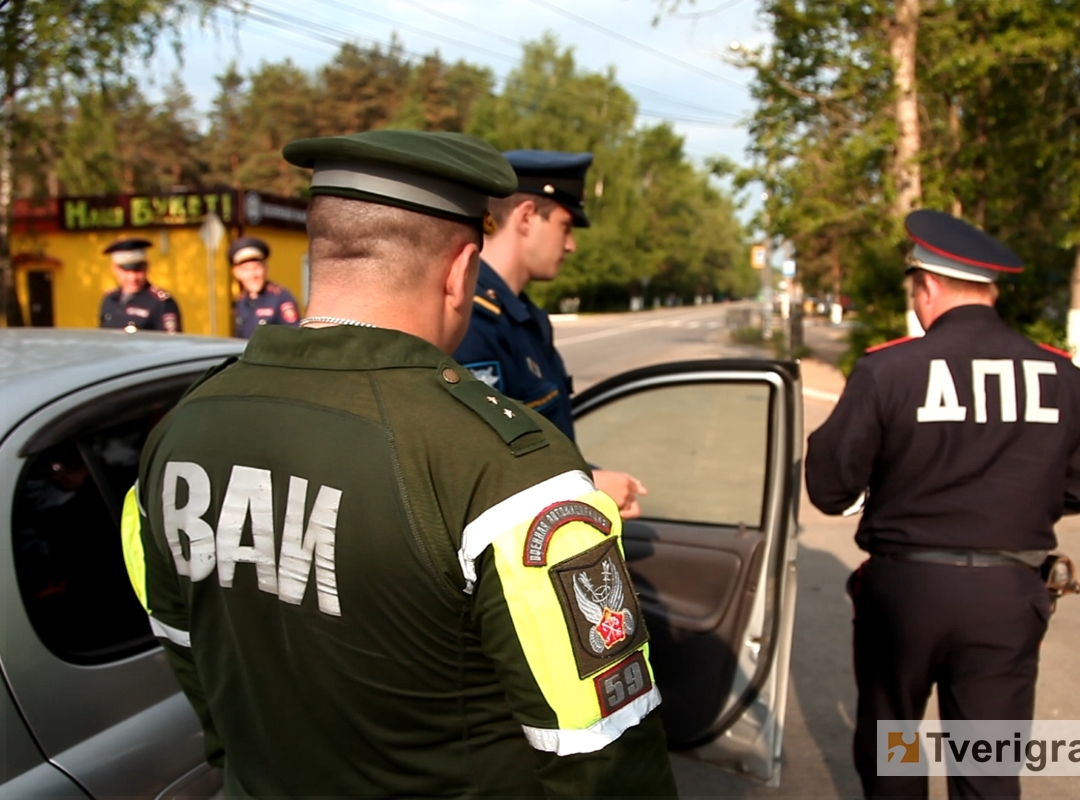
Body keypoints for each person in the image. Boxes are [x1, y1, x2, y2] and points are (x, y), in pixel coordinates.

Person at [119, 129, 676, 798]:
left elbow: (191, 655)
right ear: (459, 269)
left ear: (320, 258)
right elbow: (602, 752)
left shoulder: (177, 431)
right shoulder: (507, 469)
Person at [804, 209, 1080, 799]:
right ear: (989, 291)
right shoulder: (1062, 375)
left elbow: (829, 488)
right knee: (986, 765)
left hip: (907, 595)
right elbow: (1079, 490)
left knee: (896, 750)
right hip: (1007, 597)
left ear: (929, 284)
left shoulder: (888, 369)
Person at [454, 149, 647, 518]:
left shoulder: (526, 318)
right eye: (565, 226)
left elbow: (539, 445)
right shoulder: (472, 321)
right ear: (527, 216)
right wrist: (588, 485)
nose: (571, 245)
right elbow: (476, 468)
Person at [98, 238, 181, 333]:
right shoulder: (110, 299)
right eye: (126, 271)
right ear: (115, 269)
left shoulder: (161, 303)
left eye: (138, 270)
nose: (132, 277)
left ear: (146, 267)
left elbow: (172, 344)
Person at [229, 236, 301, 338]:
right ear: (237, 273)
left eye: (256, 268)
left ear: (266, 268)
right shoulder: (241, 301)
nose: (253, 275)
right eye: (246, 270)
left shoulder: (280, 298)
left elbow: (295, 338)